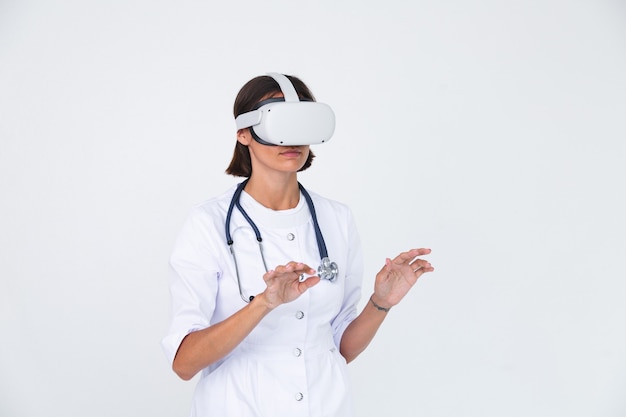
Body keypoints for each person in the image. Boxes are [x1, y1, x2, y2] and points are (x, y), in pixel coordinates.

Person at [162, 73, 434, 417]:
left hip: (326, 405)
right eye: (278, 123)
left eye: (302, 123)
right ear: (244, 133)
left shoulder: (337, 219)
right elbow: (184, 364)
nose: (292, 140)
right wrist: (264, 303)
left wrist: (380, 303)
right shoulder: (207, 224)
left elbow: (341, 348)